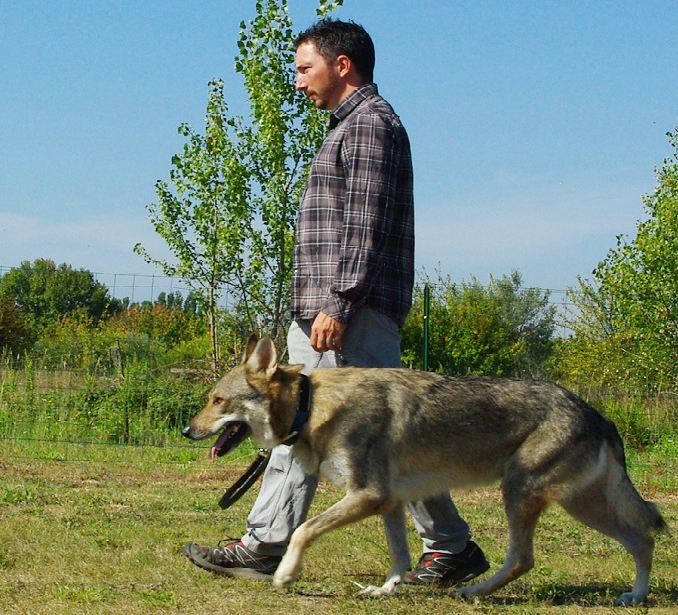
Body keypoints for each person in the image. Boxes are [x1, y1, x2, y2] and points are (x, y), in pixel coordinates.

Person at [184, 18, 489, 587]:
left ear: (341, 65)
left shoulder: (369, 125)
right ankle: (449, 549)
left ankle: (266, 545)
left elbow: (365, 225)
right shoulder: (349, 127)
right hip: (336, 308)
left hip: (345, 312)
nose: (297, 82)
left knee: (299, 426)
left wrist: (339, 303)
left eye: (304, 68)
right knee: (378, 440)